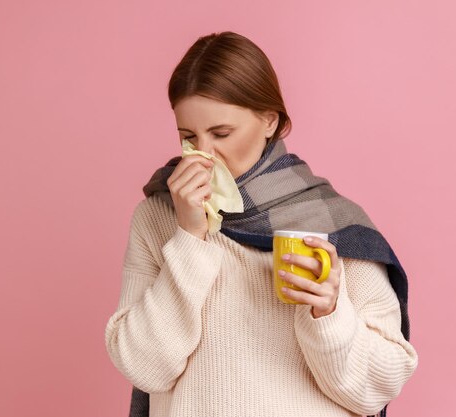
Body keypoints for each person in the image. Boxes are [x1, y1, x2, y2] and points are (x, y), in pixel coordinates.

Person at [105, 31, 418, 417]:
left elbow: (377, 389)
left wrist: (330, 314)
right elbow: (144, 367)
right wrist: (188, 238)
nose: (204, 152)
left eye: (221, 133)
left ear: (269, 121)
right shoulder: (158, 217)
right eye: (188, 137)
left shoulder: (329, 222)